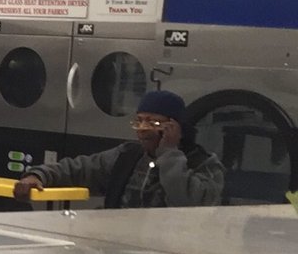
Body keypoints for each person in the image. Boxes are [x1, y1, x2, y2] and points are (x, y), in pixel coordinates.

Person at [12, 89, 225, 208]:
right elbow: (80, 169)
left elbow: (190, 204)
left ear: (176, 128)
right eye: (139, 121)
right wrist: (37, 176)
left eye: (153, 122)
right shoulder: (128, 156)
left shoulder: (203, 164)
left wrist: (169, 154)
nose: (143, 129)